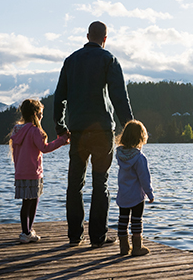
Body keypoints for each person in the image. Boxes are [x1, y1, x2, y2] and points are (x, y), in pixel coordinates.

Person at [53, 21, 134, 248]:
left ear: (88, 36)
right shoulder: (109, 59)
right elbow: (119, 96)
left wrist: (60, 127)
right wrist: (130, 127)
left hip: (78, 131)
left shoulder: (70, 61)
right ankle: (98, 237)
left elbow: (59, 97)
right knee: (101, 183)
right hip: (102, 132)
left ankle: (74, 236)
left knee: (75, 184)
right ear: (105, 39)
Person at [10, 98, 69, 243]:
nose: (42, 116)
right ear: (35, 114)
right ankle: (27, 232)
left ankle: (25, 232)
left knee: (25, 203)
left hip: (20, 173)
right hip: (33, 172)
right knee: (34, 201)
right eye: (41, 113)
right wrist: (62, 140)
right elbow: (45, 148)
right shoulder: (34, 131)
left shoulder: (17, 130)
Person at [115, 120, 155, 256]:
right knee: (136, 221)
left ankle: (124, 247)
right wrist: (149, 193)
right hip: (137, 196)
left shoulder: (120, 155)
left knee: (123, 220)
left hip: (123, 195)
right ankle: (137, 247)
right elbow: (144, 178)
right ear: (141, 137)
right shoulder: (139, 158)